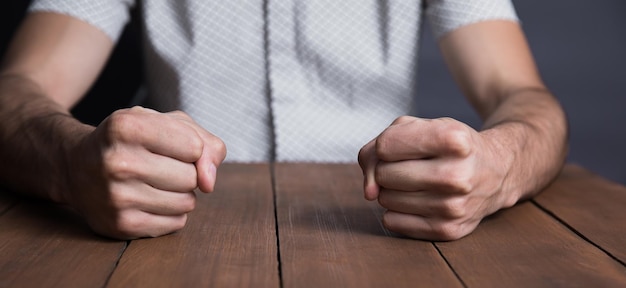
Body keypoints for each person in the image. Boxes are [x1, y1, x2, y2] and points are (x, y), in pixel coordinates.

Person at [0, 0, 567, 241]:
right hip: (164, 236)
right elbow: (16, 90)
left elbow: (522, 96)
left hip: (382, 234)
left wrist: (500, 160)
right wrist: (72, 162)